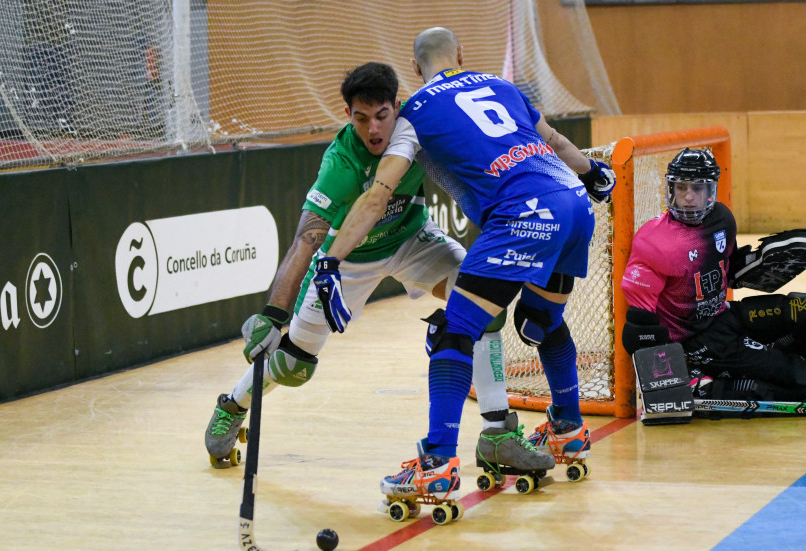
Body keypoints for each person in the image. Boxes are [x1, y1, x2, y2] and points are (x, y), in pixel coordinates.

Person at [315, 28, 616, 504]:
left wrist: (330, 259)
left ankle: (436, 463)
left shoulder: (412, 114)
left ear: (416, 70)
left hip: (523, 213)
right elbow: (555, 140)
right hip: (574, 202)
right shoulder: (501, 85)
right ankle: (567, 428)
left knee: (455, 331)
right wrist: (594, 172)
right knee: (541, 320)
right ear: (461, 55)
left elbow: (377, 197)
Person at [204, 62, 551, 474]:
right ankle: (234, 402)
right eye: (361, 118)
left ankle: (497, 433)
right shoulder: (341, 163)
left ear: (396, 108)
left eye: (382, 116)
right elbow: (307, 238)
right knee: (294, 365)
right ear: (348, 116)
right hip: (347, 262)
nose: (373, 129)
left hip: (412, 241)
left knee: (483, 303)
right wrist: (273, 313)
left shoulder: (417, 131)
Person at [620, 147, 806, 402]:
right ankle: (708, 385)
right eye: (681, 188)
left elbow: (728, 269)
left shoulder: (722, 219)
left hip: (725, 316)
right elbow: (638, 328)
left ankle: (774, 356)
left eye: (697, 188)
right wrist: (674, 382)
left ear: (711, 190)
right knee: (800, 381)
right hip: (697, 343)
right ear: (671, 189)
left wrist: (760, 265)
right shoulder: (653, 242)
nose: (688, 197)